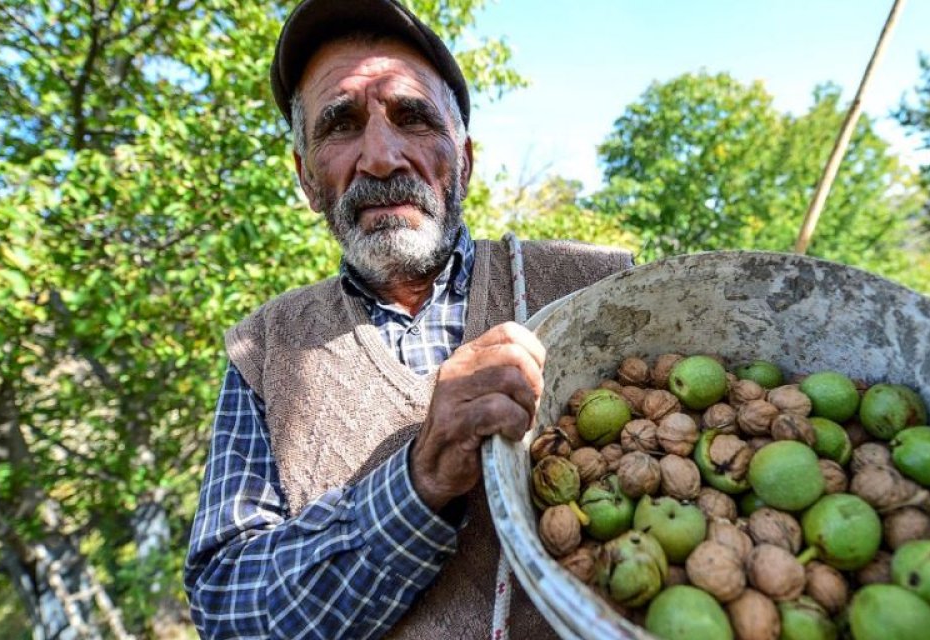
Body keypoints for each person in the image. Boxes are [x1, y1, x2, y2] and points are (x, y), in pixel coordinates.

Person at [183, 0, 633, 637]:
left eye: (413, 117)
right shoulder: (266, 349)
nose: (381, 157)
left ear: (465, 161)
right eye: (340, 124)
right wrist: (420, 480)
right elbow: (228, 608)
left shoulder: (600, 287)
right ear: (307, 178)